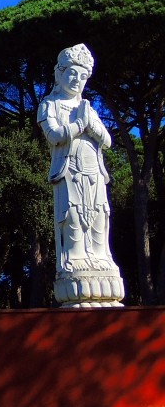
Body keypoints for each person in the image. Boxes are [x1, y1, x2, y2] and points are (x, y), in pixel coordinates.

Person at [38, 44, 118, 275]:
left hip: (94, 171)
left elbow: (108, 141)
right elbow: (54, 137)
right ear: (59, 73)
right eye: (72, 73)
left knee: (99, 216)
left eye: (83, 76)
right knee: (72, 216)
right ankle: (75, 259)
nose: (77, 80)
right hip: (68, 170)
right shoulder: (49, 105)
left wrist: (91, 124)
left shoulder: (88, 108)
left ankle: (101, 259)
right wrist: (79, 125)